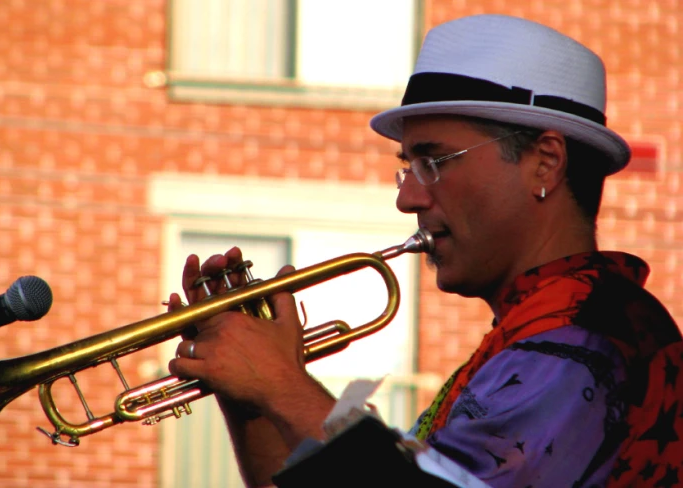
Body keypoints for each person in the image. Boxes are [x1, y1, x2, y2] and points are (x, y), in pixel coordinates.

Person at [167, 14, 683, 488]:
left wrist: (283, 385)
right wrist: (248, 394)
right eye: (407, 166)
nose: (406, 197)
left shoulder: (581, 344)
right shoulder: (529, 335)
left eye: (434, 161)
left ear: (544, 163)